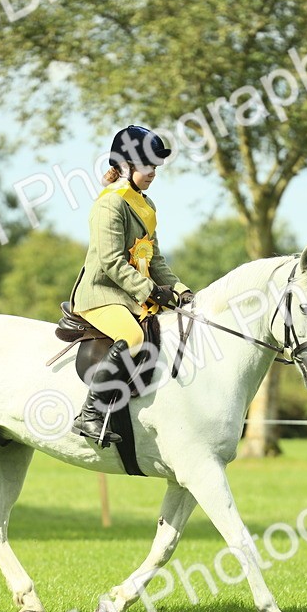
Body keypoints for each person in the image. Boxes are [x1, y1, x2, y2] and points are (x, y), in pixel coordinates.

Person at [68, 125, 194, 445]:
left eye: (155, 166)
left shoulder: (146, 205)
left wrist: (180, 290)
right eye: (148, 165)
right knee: (134, 336)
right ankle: (90, 414)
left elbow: (154, 259)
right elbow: (111, 262)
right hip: (101, 293)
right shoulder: (110, 203)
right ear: (125, 166)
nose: (154, 172)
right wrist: (151, 291)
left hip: (129, 294)